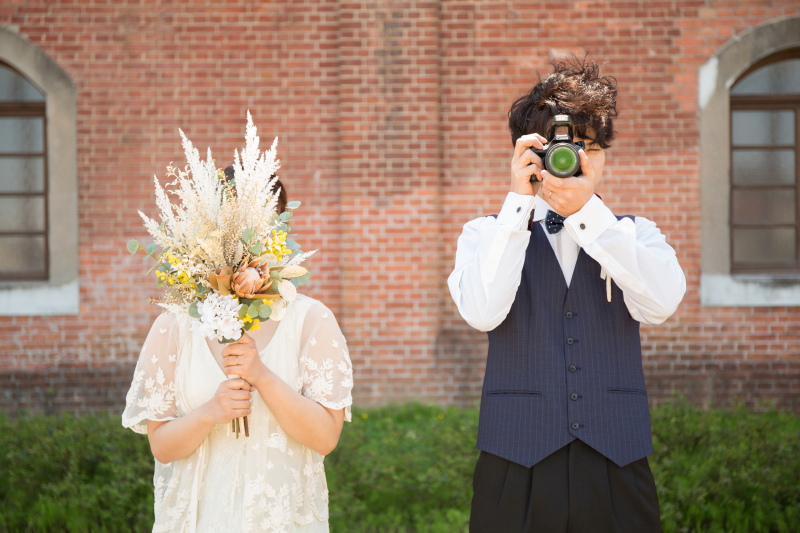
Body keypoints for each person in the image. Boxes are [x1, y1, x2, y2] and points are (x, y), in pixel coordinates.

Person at [447, 57, 686, 532]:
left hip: (616, 459)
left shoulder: (635, 234)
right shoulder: (485, 232)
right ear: (530, 152)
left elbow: (661, 305)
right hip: (516, 461)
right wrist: (518, 205)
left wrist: (590, 218)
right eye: (562, 147)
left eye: (589, 148)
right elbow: (482, 313)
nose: (574, 159)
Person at [122, 178, 353, 532]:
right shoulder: (175, 324)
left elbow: (325, 438)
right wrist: (210, 413)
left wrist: (262, 375)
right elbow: (162, 447)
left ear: (277, 232)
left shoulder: (311, 320)